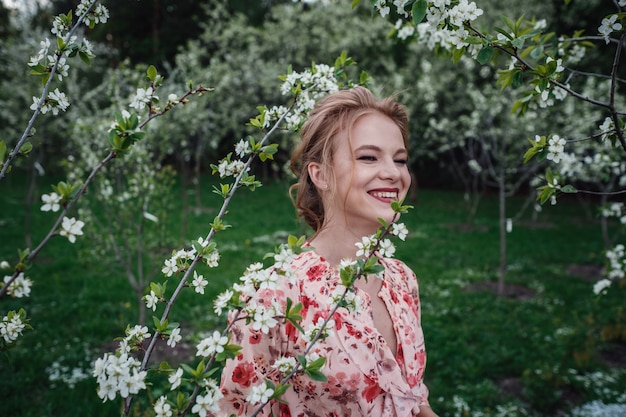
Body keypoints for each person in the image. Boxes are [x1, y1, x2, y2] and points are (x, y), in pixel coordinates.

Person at [215, 87, 437, 417]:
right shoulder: (275, 297)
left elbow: (415, 401)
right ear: (320, 174)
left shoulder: (402, 280)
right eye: (368, 157)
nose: (394, 173)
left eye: (400, 159)